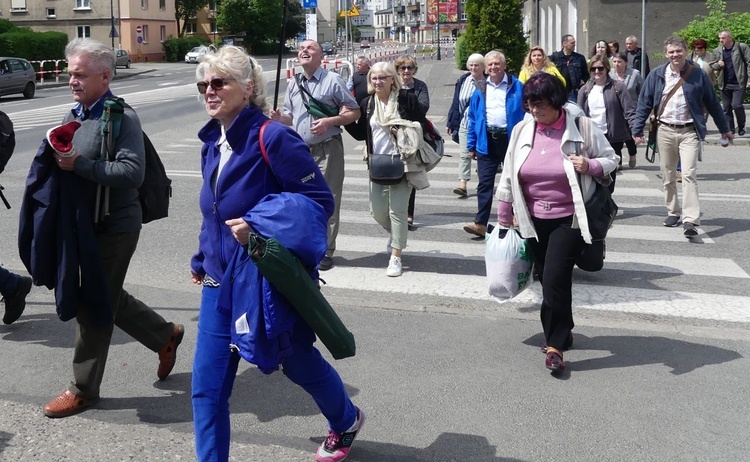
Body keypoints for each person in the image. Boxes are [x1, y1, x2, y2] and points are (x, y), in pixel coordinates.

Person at [191, 46, 364, 462]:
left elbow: (318, 200)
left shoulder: (273, 136)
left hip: (265, 278)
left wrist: (260, 225)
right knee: (207, 388)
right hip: (220, 281)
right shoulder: (212, 141)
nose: (209, 92)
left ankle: (345, 419)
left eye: (219, 82)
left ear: (247, 88)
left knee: (297, 362)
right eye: (203, 85)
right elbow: (213, 209)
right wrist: (202, 257)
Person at [36, 38, 184, 418]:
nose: (73, 81)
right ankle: (164, 334)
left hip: (115, 226)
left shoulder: (121, 117)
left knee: (93, 303)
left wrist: (78, 166)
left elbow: (132, 173)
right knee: (105, 293)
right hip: (87, 225)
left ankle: (83, 388)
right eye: (71, 74)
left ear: (105, 76)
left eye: (80, 75)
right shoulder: (79, 112)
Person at [496, 72, 618, 373]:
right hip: (533, 218)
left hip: (570, 218)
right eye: (531, 105)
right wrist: (503, 209)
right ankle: (565, 327)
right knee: (547, 280)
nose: (536, 111)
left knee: (554, 278)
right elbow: (510, 171)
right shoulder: (523, 130)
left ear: (557, 101)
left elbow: (611, 159)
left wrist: (589, 165)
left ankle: (555, 345)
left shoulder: (582, 127)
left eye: (541, 105)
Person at [270, 40, 361, 271]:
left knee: (327, 200)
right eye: (301, 49)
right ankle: (305, 247)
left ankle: (326, 251)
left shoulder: (332, 80)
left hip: (328, 148)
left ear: (321, 57)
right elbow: (290, 116)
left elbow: (354, 111)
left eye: (310, 48)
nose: (304, 51)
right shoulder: (294, 83)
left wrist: (330, 121)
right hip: (300, 151)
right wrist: (280, 119)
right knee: (300, 201)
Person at [633, 36, 733, 238]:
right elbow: (644, 103)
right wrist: (637, 130)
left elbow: (712, 103)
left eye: (678, 51)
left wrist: (725, 128)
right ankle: (673, 212)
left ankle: (690, 219)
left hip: (689, 131)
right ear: (665, 54)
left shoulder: (697, 74)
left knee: (688, 174)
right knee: (668, 175)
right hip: (665, 130)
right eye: (671, 52)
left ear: (685, 51)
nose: (675, 55)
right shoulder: (657, 75)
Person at [350, 62, 430, 277]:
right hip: (377, 162)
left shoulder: (406, 99)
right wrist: (341, 117)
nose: (377, 81)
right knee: (377, 211)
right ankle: (397, 235)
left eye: (382, 77)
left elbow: (421, 125)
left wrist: (402, 128)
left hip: (403, 162)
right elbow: (360, 134)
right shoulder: (367, 103)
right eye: (374, 78)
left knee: (398, 211)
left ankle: (396, 256)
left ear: (392, 79)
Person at [463, 50, 525, 238]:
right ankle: (481, 223)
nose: (493, 67)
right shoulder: (480, 88)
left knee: (516, 182)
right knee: (485, 184)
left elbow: (528, 112)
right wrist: (471, 145)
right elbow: (473, 118)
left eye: (497, 64)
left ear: (505, 66)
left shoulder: (518, 87)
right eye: (490, 64)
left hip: (511, 141)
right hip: (487, 141)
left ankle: (517, 218)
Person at [578, 54, 636, 190]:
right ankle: (598, 204)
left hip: (612, 137)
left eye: (600, 68)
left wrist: (636, 130)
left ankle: (607, 201)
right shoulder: (585, 89)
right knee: (593, 171)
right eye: (593, 69)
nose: (597, 72)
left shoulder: (618, 87)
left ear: (607, 69)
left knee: (610, 173)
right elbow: (578, 114)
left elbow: (629, 110)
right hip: (591, 137)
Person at [395, 55, 429, 230]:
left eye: (410, 68)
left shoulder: (420, 86)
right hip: (393, 134)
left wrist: (406, 94)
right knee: (392, 173)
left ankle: (408, 214)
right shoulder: (392, 84)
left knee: (410, 174)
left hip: (412, 135)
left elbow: (423, 108)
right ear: (397, 70)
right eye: (402, 68)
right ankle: (394, 210)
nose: (406, 71)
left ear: (414, 70)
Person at [447, 53, 486, 197]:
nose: (474, 68)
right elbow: (456, 102)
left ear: (483, 67)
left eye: (477, 65)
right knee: (464, 154)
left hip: (482, 125)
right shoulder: (463, 80)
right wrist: (451, 122)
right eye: (471, 65)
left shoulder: (488, 81)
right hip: (465, 123)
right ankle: (462, 184)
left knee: (482, 155)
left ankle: (483, 182)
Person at [710, 30, 750, 136]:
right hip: (724, 83)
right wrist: (718, 64)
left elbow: (749, 63)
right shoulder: (717, 51)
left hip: (739, 82)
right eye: (719, 38)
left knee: (737, 105)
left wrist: (749, 79)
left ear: (730, 38)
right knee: (726, 108)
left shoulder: (741, 47)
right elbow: (712, 65)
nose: (720, 40)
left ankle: (741, 126)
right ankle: (730, 129)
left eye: (723, 38)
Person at [610, 51, 643, 168]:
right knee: (616, 138)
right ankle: (617, 162)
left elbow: (641, 92)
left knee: (629, 138)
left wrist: (641, 109)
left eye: (619, 62)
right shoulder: (609, 75)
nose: (616, 64)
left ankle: (632, 154)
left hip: (631, 110)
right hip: (615, 111)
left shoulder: (635, 74)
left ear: (626, 63)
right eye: (614, 61)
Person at [549, 35, 590, 102]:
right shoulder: (555, 57)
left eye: (574, 43)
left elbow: (585, 75)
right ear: (564, 44)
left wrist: (587, 86)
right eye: (572, 43)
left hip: (573, 92)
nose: (574, 45)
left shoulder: (579, 58)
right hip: (559, 91)